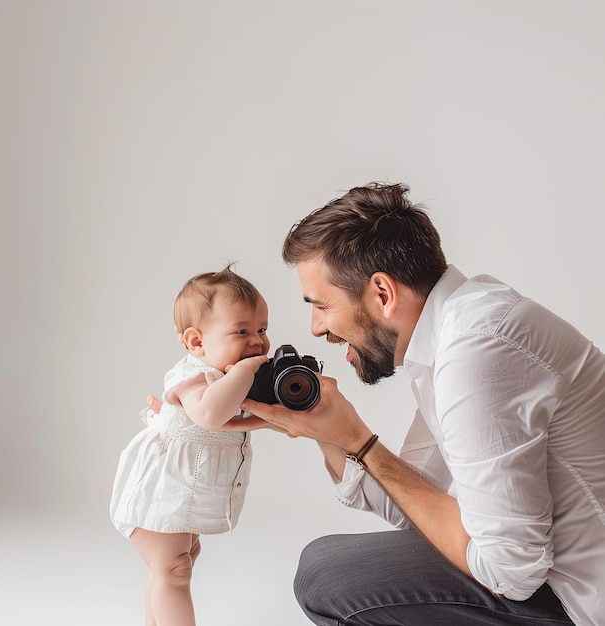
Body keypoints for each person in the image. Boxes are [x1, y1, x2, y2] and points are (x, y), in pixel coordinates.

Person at [221, 182, 605, 625]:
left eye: (321, 305)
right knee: (323, 561)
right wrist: (325, 433)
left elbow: (510, 573)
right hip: (552, 573)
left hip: (583, 600)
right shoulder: (453, 330)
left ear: (382, 293)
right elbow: (418, 503)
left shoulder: (476, 351)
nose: (316, 328)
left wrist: (362, 443)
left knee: (328, 578)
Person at [110, 265, 270, 626]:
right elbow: (212, 414)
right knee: (174, 570)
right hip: (160, 491)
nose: (257, 341)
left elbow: (232, 423)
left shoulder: (224, 376)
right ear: (197, 342)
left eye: (262, 329)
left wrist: (278, 421)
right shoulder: (192, 378)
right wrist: (245, 373)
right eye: (241, 331)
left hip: (182, 493)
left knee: (174, 566)